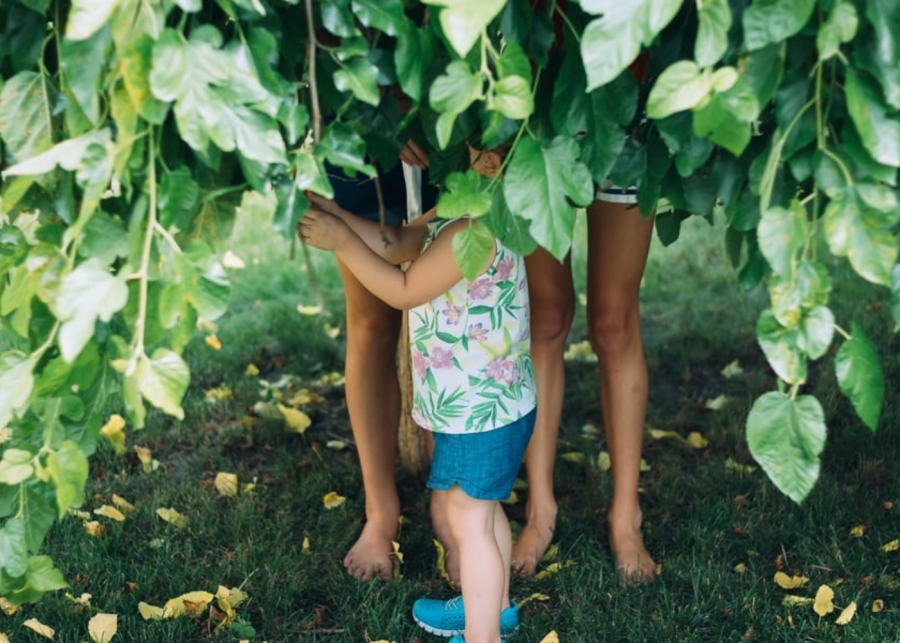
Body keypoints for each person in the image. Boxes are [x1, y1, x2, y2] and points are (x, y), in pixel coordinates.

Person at [300, 148, 535, 643]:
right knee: (483, 512)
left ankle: (482, 635)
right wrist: (339, 215)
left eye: (467, 147)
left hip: (479, 414)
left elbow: (403, 289)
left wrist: (343, 241)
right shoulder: (467, 210)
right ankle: (494, 608)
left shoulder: (471, 230)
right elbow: (402, 240)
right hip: (489, 406)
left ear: (494, 161)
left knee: (469, 522)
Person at [510, 183, 657, 583]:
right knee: (546, 315)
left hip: (623, 129)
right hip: (540, 128)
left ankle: (626, 515)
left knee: (615, 323)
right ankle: (540, 509)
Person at [327, 142, 436, 582]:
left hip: (450, 128)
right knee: (371, 324)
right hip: (362, 129)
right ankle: (381, 509)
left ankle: (462, 497)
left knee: (463, 310)